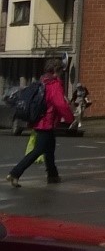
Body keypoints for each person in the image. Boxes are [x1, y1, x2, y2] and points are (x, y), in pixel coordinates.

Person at [8, 57, 74, 187]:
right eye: (61, 71)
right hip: (46, 122)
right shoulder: (53, 85)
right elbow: (60, 104)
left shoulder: (42, 81)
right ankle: (15, 173)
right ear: (57, 70)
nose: (61, 73)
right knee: (38, 150)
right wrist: (70, 119)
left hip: (40, 120)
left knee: (49, 149)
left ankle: (53, 176)